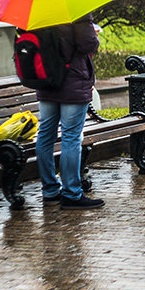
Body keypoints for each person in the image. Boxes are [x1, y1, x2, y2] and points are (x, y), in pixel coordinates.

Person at [35, 16, 104, 209]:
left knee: (45, 135)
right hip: (72, 82)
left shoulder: (38, 11)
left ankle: (49, 191)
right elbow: (87, 45)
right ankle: (71, 193)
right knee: (71, 137)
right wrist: (93, 33)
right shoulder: (77, 11)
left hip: (46, 82)